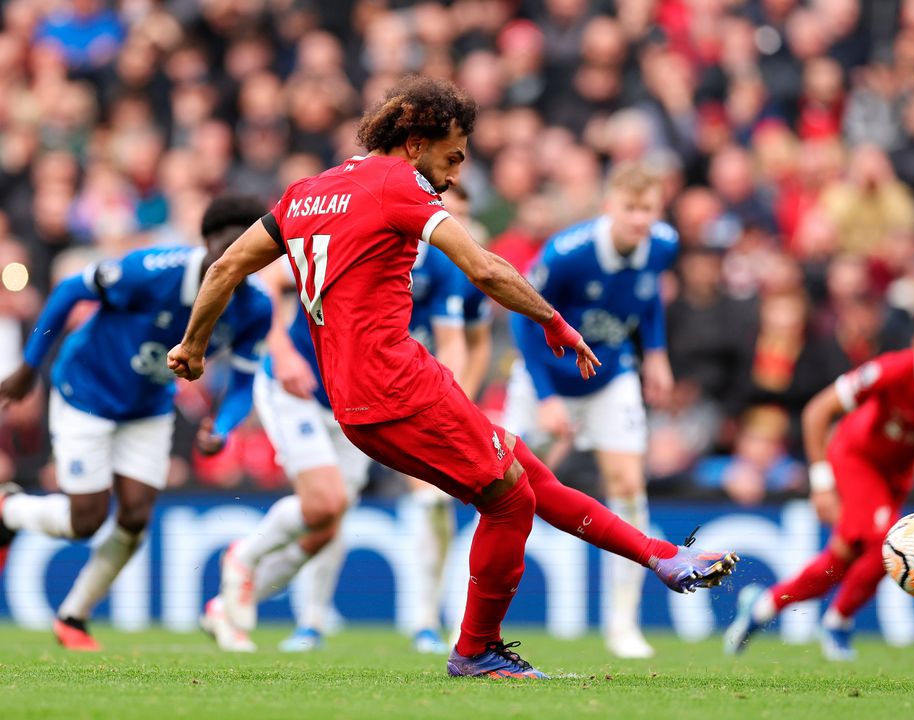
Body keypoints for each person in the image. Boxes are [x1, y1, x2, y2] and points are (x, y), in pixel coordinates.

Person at [167, 76, 738, 679]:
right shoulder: (398, 184)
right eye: (454, 154)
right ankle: (475, 651)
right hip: (397, 383)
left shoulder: (307, 193)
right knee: (510, 501)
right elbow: (485, 269)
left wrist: (193, 346)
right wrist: (555, 322)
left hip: (355, 400)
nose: (456, 172)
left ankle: (663, 557)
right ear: (416, 142)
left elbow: (227, 264)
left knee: (528, 475)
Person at [0, 195, 272, 651]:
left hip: (147, 405)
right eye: (230, 244)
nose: (238, 257)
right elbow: (70, 290)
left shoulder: (255, 307)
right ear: (207, 241)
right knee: (85, 520)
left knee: (136, 514)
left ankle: (74, 616)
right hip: (86, 391)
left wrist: (222, 427)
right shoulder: (153, 270)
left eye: (252, 248)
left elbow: (245, 382)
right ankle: (9, 508)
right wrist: (30, 366)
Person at [505, 162, 677, 659]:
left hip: (610, 375)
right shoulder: (567, 254)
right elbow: (524, 317)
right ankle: (464, 609)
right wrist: (545, 396)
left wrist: (657, 354)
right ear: (609, 207)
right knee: (499, 486)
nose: (640, 220)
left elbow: (648, 299)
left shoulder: (664, 244)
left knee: (628, 487)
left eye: (648, 210)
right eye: (631, 209)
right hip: (545, 380)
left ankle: (622, 625)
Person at [725, 304, 914, 661]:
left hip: (896, 473)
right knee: (887, 543)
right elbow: (818, 410)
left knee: (843, 558)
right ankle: (837, 623)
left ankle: (763, 606)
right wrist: (821, 483)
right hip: (856, 457)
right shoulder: (891, 370)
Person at [201, 259, 372, 653]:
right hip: (298, 389)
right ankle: (243, 556)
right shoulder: (356, 227)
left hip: (357, 399)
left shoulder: (436, 264)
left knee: (328, 525)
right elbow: (269, 278)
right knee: (324, 503)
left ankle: (230, 607)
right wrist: (280, 351)